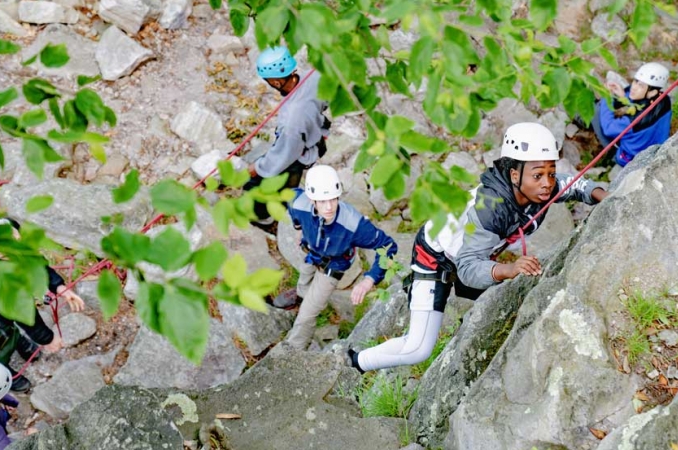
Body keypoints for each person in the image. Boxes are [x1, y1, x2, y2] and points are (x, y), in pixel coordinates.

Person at [349, 122, 609, 372]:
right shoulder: (491, 209)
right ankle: (357, 361)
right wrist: (508, 269)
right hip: (435, 257)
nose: (547, 183)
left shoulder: (538, 188)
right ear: (514, 174)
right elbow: (468, 269)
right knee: (417, 348)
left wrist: (606, 197)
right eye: (538, 175)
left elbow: (572, 185)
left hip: (475, 253)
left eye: (550, 173)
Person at [278, 165, 397, 350]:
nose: (329, 207)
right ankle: (301, 294)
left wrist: (369, 279)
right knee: (304, 278)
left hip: (333, 266)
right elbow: (290, 204)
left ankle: (292, 354)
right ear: (312, 200)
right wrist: (299, 229)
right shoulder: (298, 201)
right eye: (322, 201)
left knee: (306, 316)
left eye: (333, 200)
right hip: (311, 252)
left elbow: (388, 246)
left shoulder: (353, 224)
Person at [0, 218, 85, 392]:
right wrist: (47, 338)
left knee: (11, 331)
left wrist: (59, 287)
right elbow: (25, 315)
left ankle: (19, 342)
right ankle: (0, 374)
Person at [245, 46, 331, 235]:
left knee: (255, 184)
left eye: (267, 81)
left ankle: (264, 217)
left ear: (276, 81)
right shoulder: (312, 77)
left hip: (299, 152)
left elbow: (284, 155)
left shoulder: (292, 120)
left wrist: (257, 168)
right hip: (313, 139)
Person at [591, 62, 671, 167]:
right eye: (635, 81)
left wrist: (607, 97)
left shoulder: (633, 121)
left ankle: (612, 156)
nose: (634, 87)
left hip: (629, 159)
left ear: (652, 92)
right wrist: (624, 97)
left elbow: (609, 128)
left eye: (641, 86)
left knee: (596, 110)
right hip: (652, 150)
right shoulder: (664, 100)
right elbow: (642, 104)